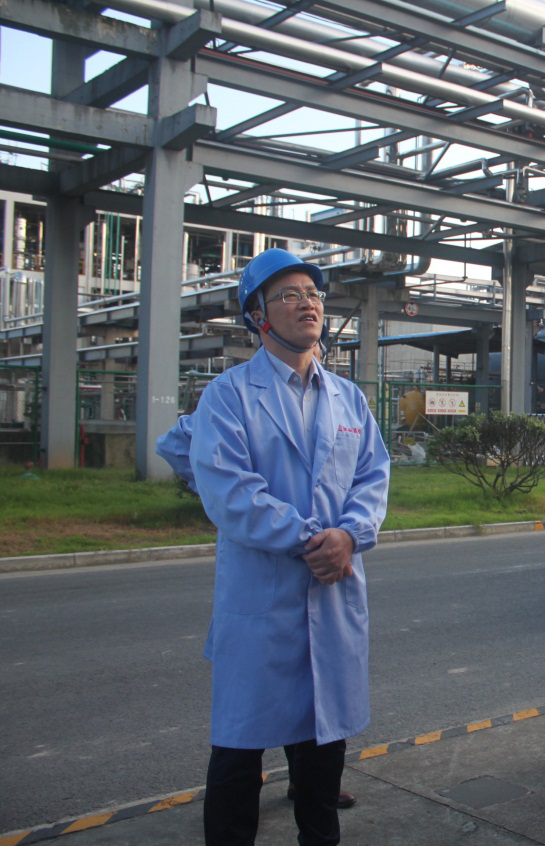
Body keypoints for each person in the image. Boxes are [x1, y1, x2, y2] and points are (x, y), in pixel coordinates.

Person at [157, 248, 390, 846]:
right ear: (257, 317)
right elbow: (230, 492)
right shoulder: (229, 395)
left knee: (323, 748)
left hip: (333, 590)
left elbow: (372, 477)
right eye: (288, 295)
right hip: (262, 597)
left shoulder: (349, 399)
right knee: (239, 752)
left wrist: (351, 534)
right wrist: (312, 539)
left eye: (312, 293)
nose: (307, 303)